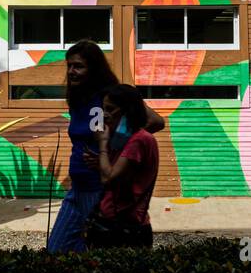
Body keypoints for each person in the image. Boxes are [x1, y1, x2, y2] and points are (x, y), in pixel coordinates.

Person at [45, 40, 163, 253]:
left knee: (95, 251)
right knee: (56, 250)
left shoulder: (109, 96)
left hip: (99, 189)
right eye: (69, 65)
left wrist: (116, 150)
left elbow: (155, 121)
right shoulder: (78, 99)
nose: (71, 71)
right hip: (77, 187)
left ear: (94, 68)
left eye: (78, 66)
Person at [88, 85, 160, 248]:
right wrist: (99, 161)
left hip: (126, 229)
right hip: (115, 224)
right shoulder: (125, 139)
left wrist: (103, 143)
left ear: (127, 110)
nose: (104, 115)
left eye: (110, 109)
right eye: (103, 109)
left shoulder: (138, 140)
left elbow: (108, 178)